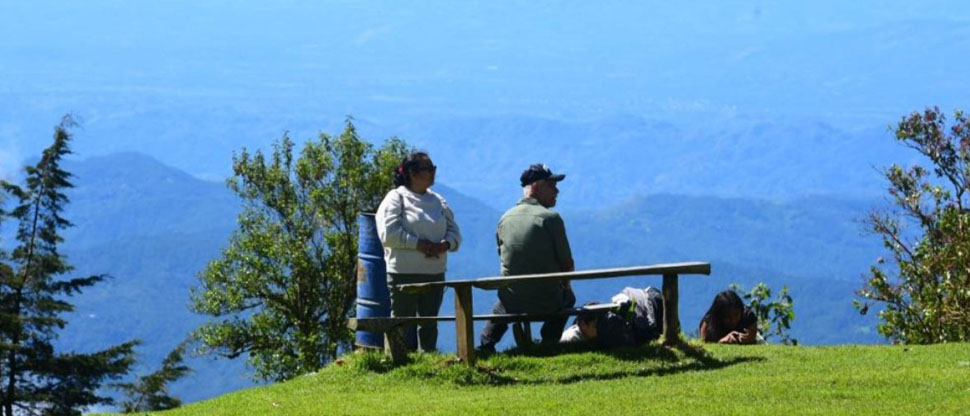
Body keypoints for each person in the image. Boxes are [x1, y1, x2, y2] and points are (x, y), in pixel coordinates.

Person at [479, 163, 576, 352]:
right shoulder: (551, 218)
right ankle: (548, 342)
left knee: (502, 304)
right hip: (548, 299)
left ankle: (485, 344)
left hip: (513, 300)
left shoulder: (504, 219)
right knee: (569, 298)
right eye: (552, 185)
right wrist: (566, 285)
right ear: (537, 186)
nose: (557, 191)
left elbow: (504, 258)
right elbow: (567, 264)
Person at [375, 151, 461, 352]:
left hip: (434, 272)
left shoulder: (438, 200)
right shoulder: (395, 198)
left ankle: (428, 358)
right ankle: (397, 358)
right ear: (412, 173)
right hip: (403, 273)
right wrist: (419, 245)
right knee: (402, 321)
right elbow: (388, 234)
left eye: (433, 169)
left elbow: (455, 233)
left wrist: (445, 245)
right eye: (428, 169)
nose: (432, 173)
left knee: (429, 322)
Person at [560, 286, 664, 348]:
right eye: (596, 326)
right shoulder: (571, 339)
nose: (599, 328)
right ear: (583, 325)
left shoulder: (588, 333)